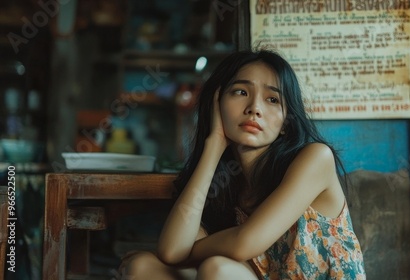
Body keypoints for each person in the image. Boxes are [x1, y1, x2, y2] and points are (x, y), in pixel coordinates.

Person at [119, 49, 366, 279]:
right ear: (217, 104)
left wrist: (187, 254)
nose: (254, 109)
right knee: (142, 267)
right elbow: (172, 250)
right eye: (241, 92)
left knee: (216, 269)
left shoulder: (315, 158)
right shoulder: (227, 187)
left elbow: (243, 243)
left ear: (286, 122)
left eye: (272, 100)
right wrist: (214, 146)